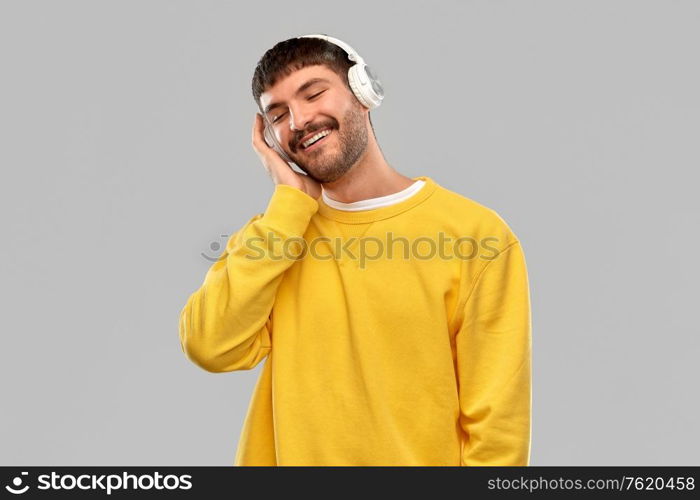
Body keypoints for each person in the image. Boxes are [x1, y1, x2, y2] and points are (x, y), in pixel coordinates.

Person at [179, 34, 532, 466]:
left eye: (314, 93)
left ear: (364, 92)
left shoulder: (476, 236)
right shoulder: (276, 236)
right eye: (278, 114)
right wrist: (290, 204)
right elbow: (209, 346)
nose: (300, 119)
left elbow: (498, 428)